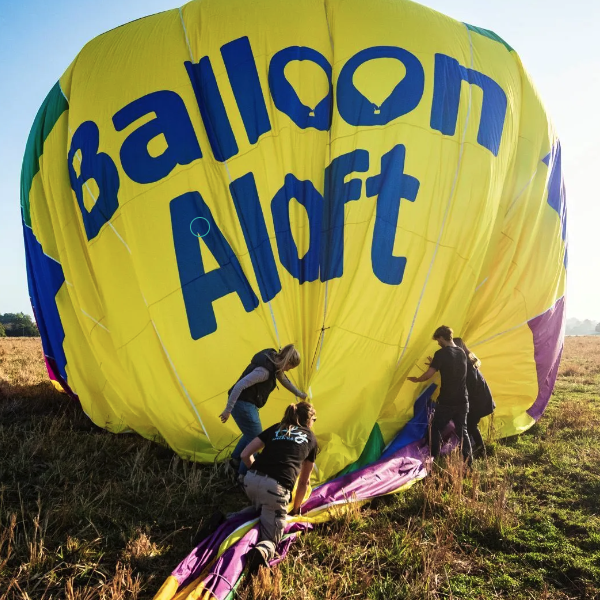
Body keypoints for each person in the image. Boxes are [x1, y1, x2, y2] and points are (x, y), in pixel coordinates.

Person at [240, 401, 318, 572]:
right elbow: (304, 482)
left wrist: (256, 474)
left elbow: (245, 454)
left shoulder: (276, 427)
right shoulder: (311, 438)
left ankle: (226, 520)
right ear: (309, 420)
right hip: (275, 490)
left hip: (250, 481)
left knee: (260, 507)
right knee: (272, 536)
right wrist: (296, 509)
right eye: (315, 419)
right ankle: (262, 552)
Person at [220, 345, 308, 478]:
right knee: (257, 441)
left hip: (248, 404)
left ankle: (234, 461)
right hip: (243, 405)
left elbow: (284, 380)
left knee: (250, 434)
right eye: (290, 367)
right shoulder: (264, 372)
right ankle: (243, 475)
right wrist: (228, 410)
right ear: (287, 362)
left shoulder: (273, 361)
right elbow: (239, 386)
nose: (288, 370)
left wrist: (299, 394)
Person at [407, 325, 472, 464]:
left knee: (435, 427)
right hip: (463, 399)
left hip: (447, 400)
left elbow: (429, 374)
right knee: (463, 431)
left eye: (438, 340)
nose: (438, 343)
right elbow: (453, 367)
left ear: (442, 337)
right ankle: (469, 462)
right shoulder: (461, 352)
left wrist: (417, 379)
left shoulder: (440, 354)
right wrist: (436, 363)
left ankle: (434, 458)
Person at [453, 338, 495, 456]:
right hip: (480, 400)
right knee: (471, 425)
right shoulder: (468, 361)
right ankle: (480, 449)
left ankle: (481, 451)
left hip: (478, 401)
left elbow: (470, 386)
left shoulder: (465, 365)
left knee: (470, 425)